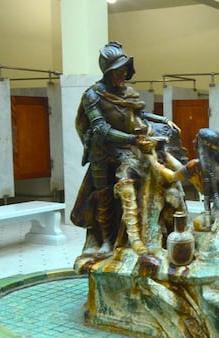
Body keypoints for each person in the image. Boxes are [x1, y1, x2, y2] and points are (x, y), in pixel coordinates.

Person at [71, 41, 179, 255]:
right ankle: (107, 242)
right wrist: (132, 140)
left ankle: (141, 235)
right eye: (118, 71)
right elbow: (100, 128)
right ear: (108, 71)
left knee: (141, 177)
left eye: (124, 70)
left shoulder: (126, 93)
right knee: (103, 195)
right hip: (101, 149)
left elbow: (138, 114)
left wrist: (164, 120)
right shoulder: (92, 95)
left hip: (126, 147)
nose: (122, 74)